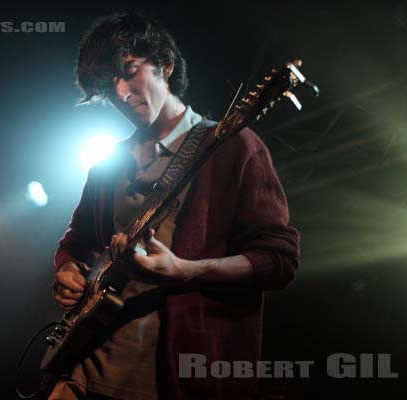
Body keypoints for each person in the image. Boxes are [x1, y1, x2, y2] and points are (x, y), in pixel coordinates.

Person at [49, 13, 300, 400]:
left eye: (128, 71)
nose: (119, 92)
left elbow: (278, 259)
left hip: (172, 380)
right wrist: (67, 270)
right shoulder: (107, 164)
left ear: (164, 64)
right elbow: (76, 240)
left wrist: (186, 270)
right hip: (83, 369)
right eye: (107, 84)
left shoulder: (235, 146)